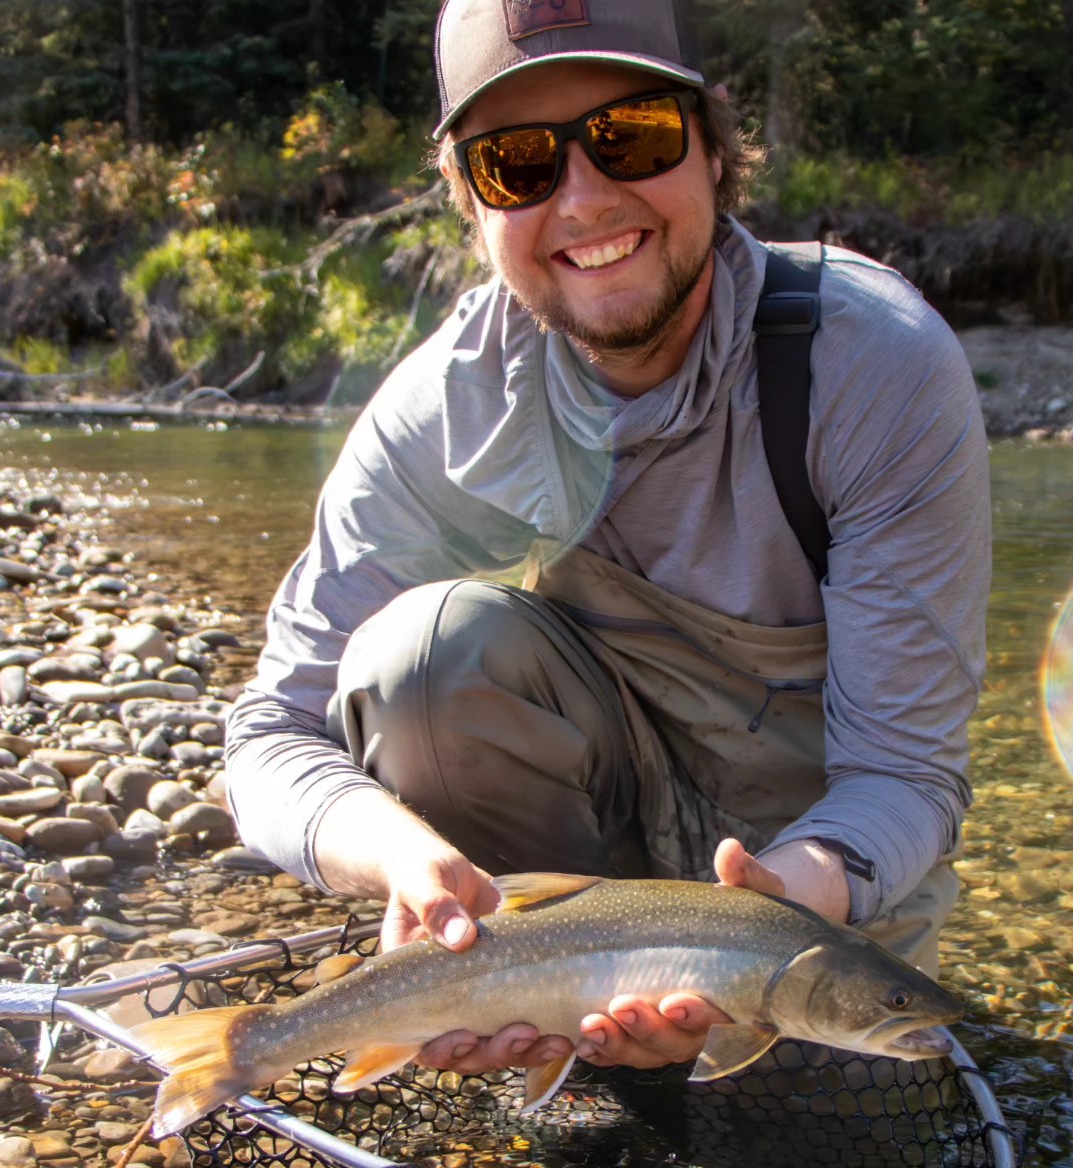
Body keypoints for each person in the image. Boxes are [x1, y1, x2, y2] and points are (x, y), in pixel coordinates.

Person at [223, 0, 990, 1082]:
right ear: (470, 203)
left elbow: (908, 771)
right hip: (566, 932)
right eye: (516, 162)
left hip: (806, 893)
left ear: (714, 150)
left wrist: (772, 908)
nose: (583, 197)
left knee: (827, 1167)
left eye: (632, 133)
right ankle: (550, 1033)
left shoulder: (871, 370)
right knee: (423, 654)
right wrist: (403, 854)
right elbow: (268, 737)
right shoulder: (438, 416)